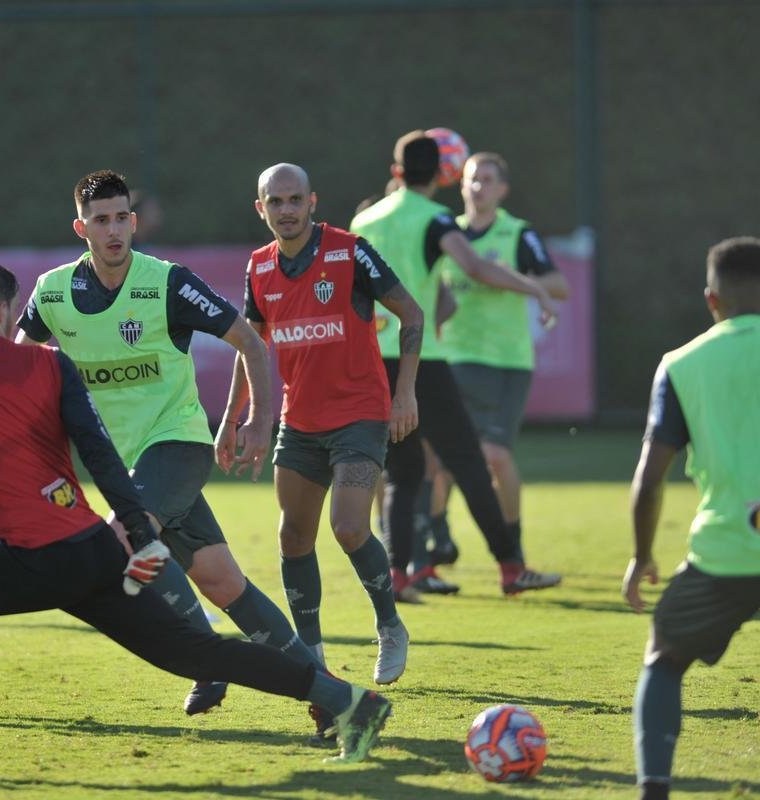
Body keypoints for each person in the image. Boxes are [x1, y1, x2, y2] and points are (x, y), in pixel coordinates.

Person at [0, 257, 392, 775]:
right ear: (4, 310)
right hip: (90, 550)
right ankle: (346, 701)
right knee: (194, 651)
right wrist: (141, 534)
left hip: (23, 561)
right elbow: (99, 453)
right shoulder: (49, 364)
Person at [15, 170, 323, 725]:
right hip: (125, 469)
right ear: (80, 227)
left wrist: (257, 419)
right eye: (101, 220)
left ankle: (206, 657)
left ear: (133, 221)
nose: (114, 231)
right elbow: (19, 365)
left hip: (178, 445)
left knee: (120, 543)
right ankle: (327, 695)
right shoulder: (53, 293)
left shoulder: (167, 283)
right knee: (223, 582)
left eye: (121, 218)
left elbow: (251, 341)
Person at [217, 162, 421, 693]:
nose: (286, 210)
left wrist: (405, 393)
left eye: (294, 199)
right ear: (260, 209)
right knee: (292, 536)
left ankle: (390, 626)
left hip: (361, 415)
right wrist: (235, 418)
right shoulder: (258, 268)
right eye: (275, 202)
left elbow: (412, 314)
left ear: (313, 202)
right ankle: (312, 653)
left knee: (350, 527)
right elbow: (251, 348)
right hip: (300, 422)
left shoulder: (350, 252)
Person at [624, 237, 760, 800]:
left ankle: (654, 788)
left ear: (711, 300)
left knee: (663, 659)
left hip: (727, 551)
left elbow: (649, 479)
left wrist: (642, 556)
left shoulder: (680, 365)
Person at [350, 131, 562, 597]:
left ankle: (398, 575)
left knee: (403, 474)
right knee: (467, 462)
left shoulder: (363, 219)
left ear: (396, 171)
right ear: (444, 175)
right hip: (421, 360)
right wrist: (536, 289)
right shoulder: (437, 219)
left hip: (371, 362)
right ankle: (511, 566)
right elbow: (476, 267)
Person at [431, 152, 570, 579]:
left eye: (488, 180)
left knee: (494, 456)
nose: (479, 187)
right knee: (436, 459)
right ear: (461, 185)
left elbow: (558, 285)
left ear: (503, 189)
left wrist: (514, 278)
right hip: (451, 358)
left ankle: (513, 546)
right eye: (473, 179)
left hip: (505, 363)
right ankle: (437, 541)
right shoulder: (445, 233)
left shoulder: (517, 233)